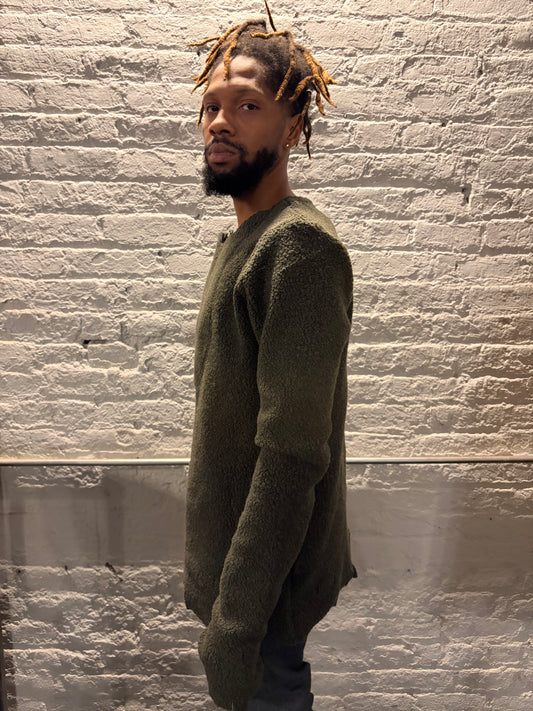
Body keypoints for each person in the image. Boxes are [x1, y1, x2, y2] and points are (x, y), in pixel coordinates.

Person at [184, 5, 357, 710]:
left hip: (260, 606)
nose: (220, 123)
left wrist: (235, 623)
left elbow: (292, 454)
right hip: (241, 589)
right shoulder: (243, 243)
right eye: (212, 106)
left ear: (292, 127)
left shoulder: (297, 247)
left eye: (247, 105)